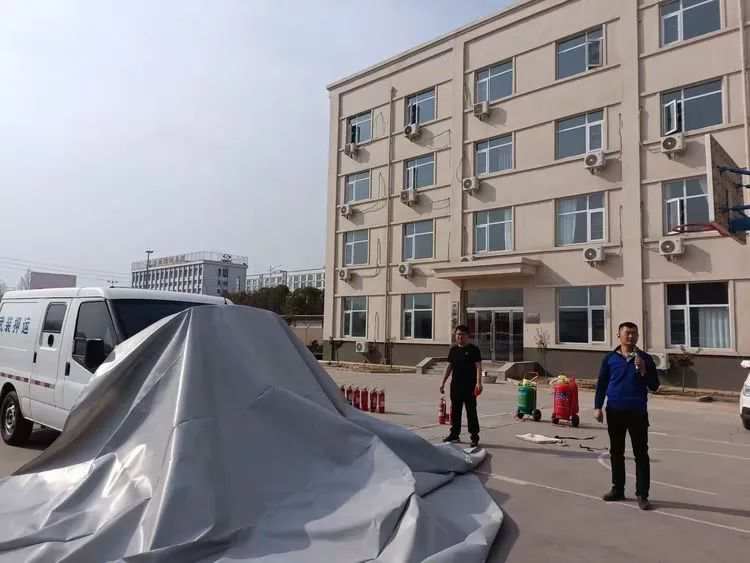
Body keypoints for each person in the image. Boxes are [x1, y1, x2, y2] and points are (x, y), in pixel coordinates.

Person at [594, 321, 660, 510]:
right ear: (619, 335)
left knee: (641, 454)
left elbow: (655, 386)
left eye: (634, 333)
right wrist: (598, 407)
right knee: (616, 452)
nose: (631, 336)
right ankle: (618, 489)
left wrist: (644, 370)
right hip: (615, 411)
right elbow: (602, 383)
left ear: (638, 336)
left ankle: (642, 494)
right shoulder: (609, 359)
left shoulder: (645, 358)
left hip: (637, 412)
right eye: (627, 333)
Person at [439, 325, 483, 447]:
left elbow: (478, 367)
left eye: (462, 334)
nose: (460, 337)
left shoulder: (474, 350)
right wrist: (443, 382)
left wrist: (478, 383)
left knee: (471, 412)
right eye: (458, 334)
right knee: (455, 411)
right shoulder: (453, 350)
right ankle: (454, 434)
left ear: (468, 336)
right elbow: (449, 367)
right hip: (456, 386)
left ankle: (474, 437)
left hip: (470, 387)